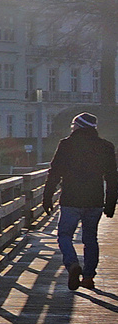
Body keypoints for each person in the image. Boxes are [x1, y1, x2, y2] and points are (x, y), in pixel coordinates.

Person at [46, 111, 118, 291]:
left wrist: (47, 197)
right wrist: (111, 203)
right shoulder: (106, 147)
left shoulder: (66, 144)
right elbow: (112, 177)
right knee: (90, 239)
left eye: (74, 125)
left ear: (78, 126)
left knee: (64, 235)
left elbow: (54, 172)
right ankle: (88, 277)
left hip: (70, 199)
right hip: (94, 200)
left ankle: (72, 264)